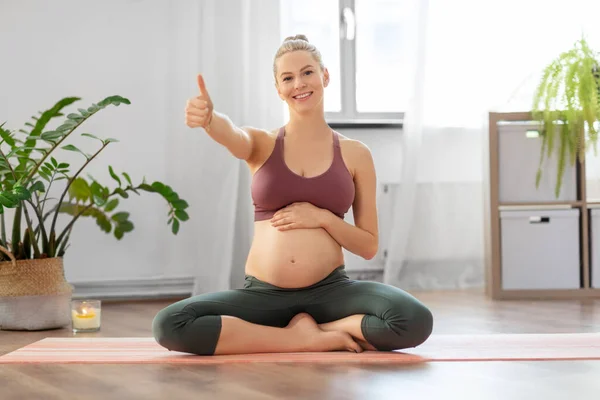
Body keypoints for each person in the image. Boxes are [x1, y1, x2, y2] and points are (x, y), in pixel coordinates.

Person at [152, 35, 433, 355]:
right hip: (263, 296)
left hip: (331, 293)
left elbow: (368, 245)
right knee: (170, 324)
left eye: (307, 72)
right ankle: (299, 338)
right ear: (278, 88)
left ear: (324, 76)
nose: (299, 83)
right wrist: (210, 120)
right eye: (288, 77)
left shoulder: (356, 154)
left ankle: (324, 329)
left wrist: (323, 218)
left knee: (414, 320)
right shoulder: (262, 144)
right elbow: (233, 135)